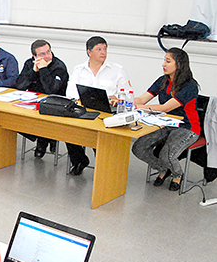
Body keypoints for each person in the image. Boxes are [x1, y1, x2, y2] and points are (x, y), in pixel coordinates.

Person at [132, 47, 200, 191]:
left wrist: (140, 107)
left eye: (168, 61)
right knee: (138, 147)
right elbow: (143, 98)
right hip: (165, 124)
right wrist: (124, 99)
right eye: (164, 60)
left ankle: (177, 174)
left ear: (179, 64)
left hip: (187, 127)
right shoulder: (163, 81)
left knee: (166, 154)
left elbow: (165, 108)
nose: (163, 64)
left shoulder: (190, 86)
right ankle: (163, 169)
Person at [65, 36, 129, 175]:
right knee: (68, 130)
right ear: (89, 52)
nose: (103, 52)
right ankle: (79, 161)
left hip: (106, 112)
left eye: (105, 49)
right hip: (83, 110)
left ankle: (103, 169)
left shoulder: (117, 70)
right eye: (99, 49)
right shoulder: (79, 69)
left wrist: (117, 98)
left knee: (99, 136)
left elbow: (128, 94)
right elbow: (70, 92)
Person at [15, 40, 69, 158]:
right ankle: (43, 137)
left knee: (42, 117)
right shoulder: (30, 63)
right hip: (33, 102)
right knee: (12, 119)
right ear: (34, 56)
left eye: (48, 52)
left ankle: (44, 139)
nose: (47, 56)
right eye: (42, 54)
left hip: (54, 105)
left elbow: (52, 90)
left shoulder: (59, 66)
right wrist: (34, 71)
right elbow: (19, 86)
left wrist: (43, 69)